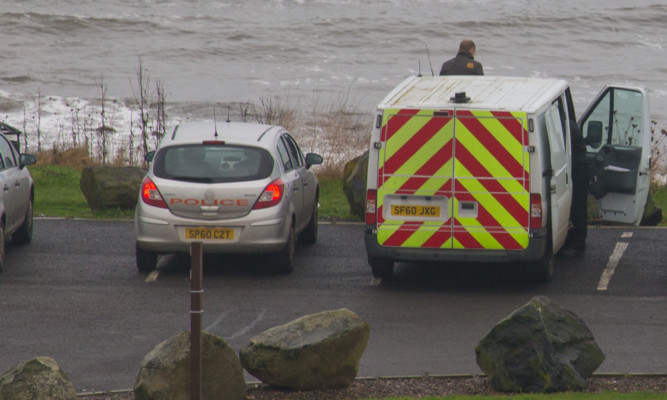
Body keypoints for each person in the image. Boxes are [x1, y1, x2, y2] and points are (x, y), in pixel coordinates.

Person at [560, 119, 588, 257]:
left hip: (577, 169)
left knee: (577, 208)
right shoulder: (569, 125)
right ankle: (576, 240)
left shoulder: (563, 127)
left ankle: (578, 245)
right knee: (578, 207)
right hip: (579, 167)